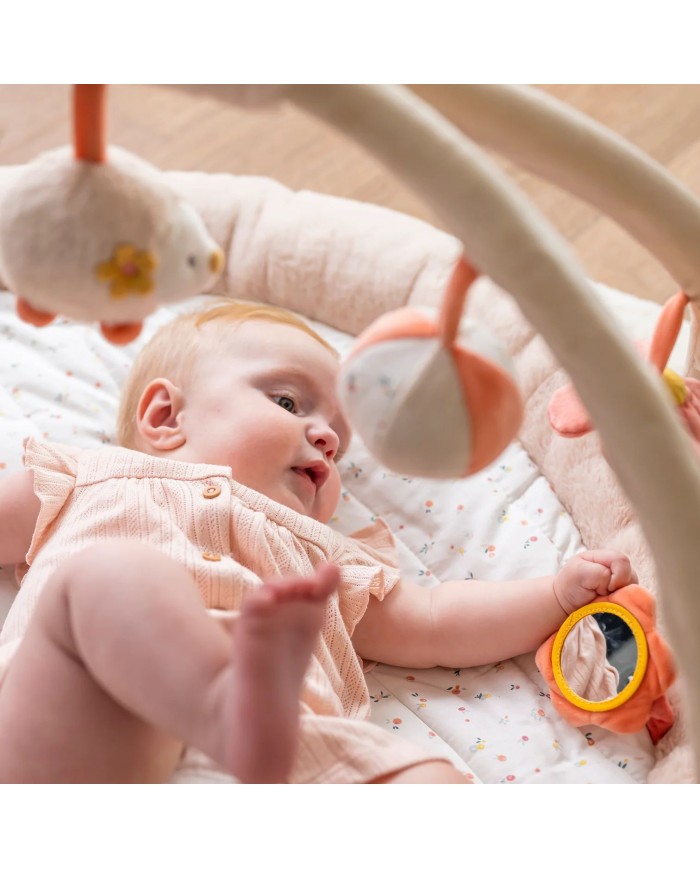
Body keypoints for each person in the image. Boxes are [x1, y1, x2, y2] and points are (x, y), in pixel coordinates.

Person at [0, 299, 638, 784]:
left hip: (294, 766)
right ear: (166, 418)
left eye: (337, 433)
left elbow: (436, 621)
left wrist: (555, 593)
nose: (327, 437)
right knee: (110, 578)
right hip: (90, 743)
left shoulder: (323, 555)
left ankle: (243, 714)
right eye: (287, 400)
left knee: (429, 779)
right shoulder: (88, 477)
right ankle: (224, 706)